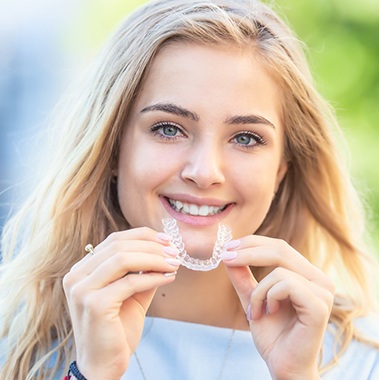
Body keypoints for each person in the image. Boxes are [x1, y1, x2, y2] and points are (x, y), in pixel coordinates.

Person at [1, 0, 379, 379]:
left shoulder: (364, 360)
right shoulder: (15, 346)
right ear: (112, 148)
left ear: (280, 170)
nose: (204, 172)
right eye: (168, 129)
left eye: (245, 138)